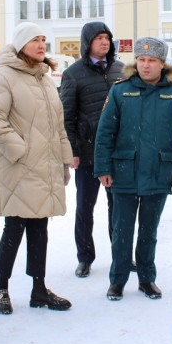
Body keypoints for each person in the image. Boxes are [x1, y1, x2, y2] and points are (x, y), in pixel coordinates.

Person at [94, 37, 172, 301]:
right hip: (123, 172)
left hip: (159, 173)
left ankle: (146, 279)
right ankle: (117, 281)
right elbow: (105, 133)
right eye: (141, 60)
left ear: (162, 63)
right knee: (122, 231)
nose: (146, 65)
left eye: (152, 60)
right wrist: (103, 167)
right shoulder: (120, 91)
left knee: (149, 232)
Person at [0, 22, 73, 315]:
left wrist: (64, 160)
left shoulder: (44, 78)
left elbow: (57, 124)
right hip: (19, 167)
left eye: (44, 39)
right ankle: (2, 287)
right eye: (35, 39)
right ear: (21, 44)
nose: (41, 44)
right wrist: (20, 151)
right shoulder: (5, 77)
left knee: (40, 228)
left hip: (44, 167)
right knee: (15, 227)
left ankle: (38, 289)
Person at [60, 21, 124, 278]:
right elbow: (67, 115)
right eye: (98, 38)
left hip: (117, 152)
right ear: (88, 42)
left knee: (118, 207)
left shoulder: (121, 70)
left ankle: (120, 254)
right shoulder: (73, 73)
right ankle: (85, 257)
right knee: (85, 207)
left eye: (107, 37)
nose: (104, 42)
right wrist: (72, 150)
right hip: (87, 153)